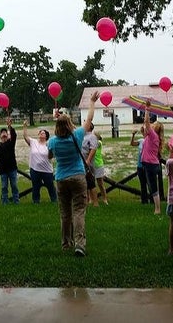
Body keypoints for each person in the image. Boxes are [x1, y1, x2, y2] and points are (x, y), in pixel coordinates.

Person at [47, 91, 100, 257]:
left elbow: (49, 156)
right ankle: (80, 244)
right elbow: (89, 119)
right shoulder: (76, 136)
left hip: (61, 178)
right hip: (78, 176)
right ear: (70, 124)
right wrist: (92, 102)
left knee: (65, 213)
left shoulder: (53, 141)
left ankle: (65, 243)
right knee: (78, 211)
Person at [23, 120, 57, 203]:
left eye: (43, 133)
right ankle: (36, 201)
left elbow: (52, 156)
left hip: (47, 170)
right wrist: (24, 126)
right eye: (40, 132)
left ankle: (54, 200)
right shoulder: (33, 142)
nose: (41, 133)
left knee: (50, 186)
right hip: (35, 169)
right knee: (35, 187)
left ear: (46, 136)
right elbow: (25, 137)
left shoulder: (49, 144)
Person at [142, 102, 164, 215]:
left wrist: (147, 109)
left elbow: (146, 123)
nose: (152, 125)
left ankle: (158, 209)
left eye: (153, 124)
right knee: (152, 186)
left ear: (155, 128)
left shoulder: (154, 136)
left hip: (150, 164)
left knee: (153, 187)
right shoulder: (152, 137)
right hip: (151, 164)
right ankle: (157, 207)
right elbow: (145, 127)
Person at [82, 125, 100, 206]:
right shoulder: (83, 135)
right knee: (83, 183)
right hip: (81, 163)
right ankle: (87, 201)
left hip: (88, 164)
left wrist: (88, 160)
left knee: (91, 183)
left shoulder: (92, 137)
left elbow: (93, 149)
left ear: (89, 127)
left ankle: (96, 203)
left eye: (85, 123)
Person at [130, 126, 149, 204]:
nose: (144, 133)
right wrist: (133, 135)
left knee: (150, 183)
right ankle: (144, 201)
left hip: (148, 165)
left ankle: (152, 199)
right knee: (143, 184)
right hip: (140, 166)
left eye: (145, 131)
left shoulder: (151, 140)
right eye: (143, 131)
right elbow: (132, 143)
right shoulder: (141, 141)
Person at [92, 131, 109, 205]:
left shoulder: (99, 142)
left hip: (98, 165)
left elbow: (94, 144)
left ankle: (104, 198)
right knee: (91, 184)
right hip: (91, 165)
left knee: (100, 183)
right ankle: (91, 199)